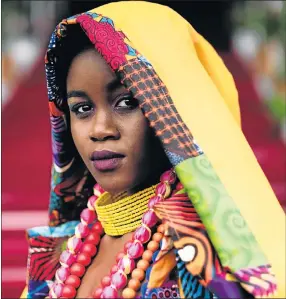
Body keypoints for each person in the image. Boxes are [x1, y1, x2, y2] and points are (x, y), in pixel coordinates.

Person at [21, 1, 285, 298]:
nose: (99, 129)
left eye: (127, 102)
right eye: (81, 108)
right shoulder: (65, 249)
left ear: (176, 109)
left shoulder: (204, 259)